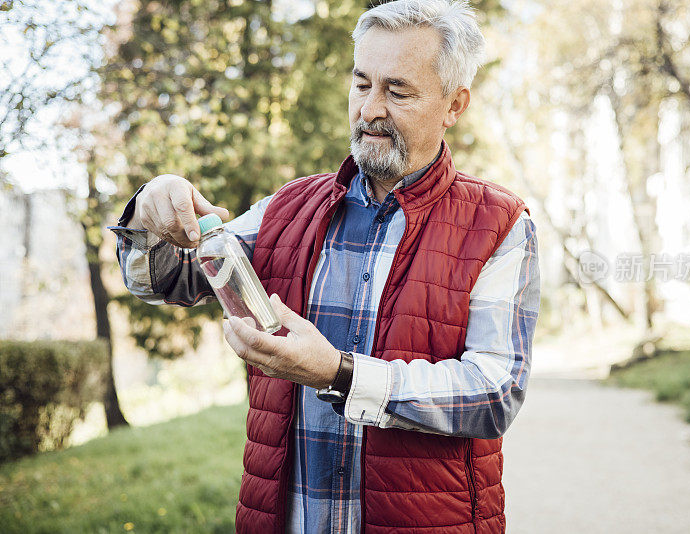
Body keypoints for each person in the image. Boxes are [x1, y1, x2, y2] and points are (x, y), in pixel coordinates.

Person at [111, 1, 540, 532]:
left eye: (397, 91)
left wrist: (340, 374)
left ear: (454, 104)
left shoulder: (498, 223)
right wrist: (150, 210)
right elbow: (169, 279)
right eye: (362, 85)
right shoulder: (287, 208)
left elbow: (494, 393)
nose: (370, 109)